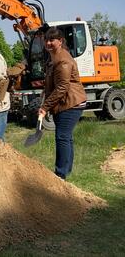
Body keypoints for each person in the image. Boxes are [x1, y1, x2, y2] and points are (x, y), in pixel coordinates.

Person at [38, 27, 87, 180]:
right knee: (66, 137)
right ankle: (66, 169)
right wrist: (45, 93)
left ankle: (60, 174)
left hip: (71, 102)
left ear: (60, 41)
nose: (48, 43)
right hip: (66, 101)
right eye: (46, 40)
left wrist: (45, 107)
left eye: (52, 40)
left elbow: (62, 87)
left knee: (62, 137)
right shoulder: (54, 57)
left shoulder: (63, 59)